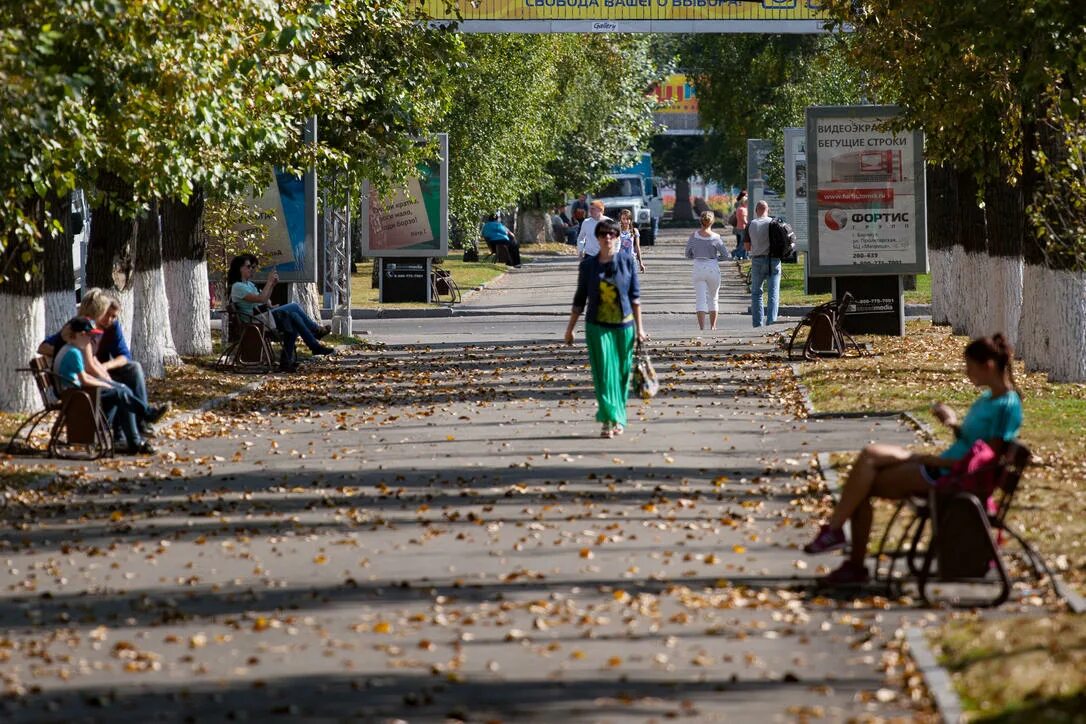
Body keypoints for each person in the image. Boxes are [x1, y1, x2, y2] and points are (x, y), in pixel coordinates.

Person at [803, 334, 1024, 585]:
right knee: (869, 458)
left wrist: (935, 462)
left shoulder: (1007, 405)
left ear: (989, 366)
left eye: (969, 366)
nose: (966, 372)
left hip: (951, 477)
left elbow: (986, 462)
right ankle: (839, 539)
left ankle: (845, 549)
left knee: (862, 485)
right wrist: (951, 423)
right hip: (942, 468)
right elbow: (973, 443)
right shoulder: (989, 399)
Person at [564, 219, 648, 439]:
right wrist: (570, 329)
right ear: (598, 238)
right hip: (597, 327)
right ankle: (607, 418)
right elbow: (580, 298)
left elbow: (635, 297)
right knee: (603, 374)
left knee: (620, 375)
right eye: (603, 234)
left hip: (624, 326)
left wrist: (640, 329)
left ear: (618, 238)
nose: (607, 238)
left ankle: (617, 418)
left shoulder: (627, 262)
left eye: (612, 234)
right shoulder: (588, 266)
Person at [38, 288, 159, 437]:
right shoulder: (81, 331)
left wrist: (105, 370)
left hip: (89, 376)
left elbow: (121, 356)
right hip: (79, 384)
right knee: (121, 391)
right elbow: (87, 364)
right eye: (106, 314)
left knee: (133, 370)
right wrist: (64, 349)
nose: (109, 320)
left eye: (113, 316)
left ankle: (141, 423)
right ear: (99, 311)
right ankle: (136, 427)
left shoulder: (107, 328)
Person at [54, 317, 169, 455]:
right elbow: (84, 380)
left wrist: (108, 384)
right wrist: (105, 384)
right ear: (81, 335)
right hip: (78, 396)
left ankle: (137, 436)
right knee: (121, 394)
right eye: (90, 336)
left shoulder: (69, 348)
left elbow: (84, 377)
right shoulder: (74, 353)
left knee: (122, 390)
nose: (92, 340)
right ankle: (145, 417)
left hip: (76, 393)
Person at [227, 254, 334, 373]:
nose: (251, 270)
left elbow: (266, 300)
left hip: (262, 317)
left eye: (253, 267)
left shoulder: (250, 284)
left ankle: (291, 359)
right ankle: (315, 333)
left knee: (293, 318)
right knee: (293, 307)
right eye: (248, 267)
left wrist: (272, 286)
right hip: (255, 322)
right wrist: (269, 282)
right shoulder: (238, 287)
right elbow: (261, 299)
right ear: (239, 268)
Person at [685, 211, 729, 331]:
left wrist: (695, 255)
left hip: (698, 267)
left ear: (701, 221)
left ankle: (701, 327)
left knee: (700, 298)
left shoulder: (693, 236)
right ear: (712, 222)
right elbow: (726, 255)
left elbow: (687, 254)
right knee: (713, 298)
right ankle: (713, 326)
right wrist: (716, 259)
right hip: (712, 267)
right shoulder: (716, 237)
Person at [745, 200, 780, 327]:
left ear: (756, 211)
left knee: (756, 292)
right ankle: (771, 321)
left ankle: (757, 323)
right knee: (773, 291)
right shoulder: (774, 223)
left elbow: (747, 247)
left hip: (757, 261)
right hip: (774, 261)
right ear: (768, 209)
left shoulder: (751, 224)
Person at [732, 191, 749, 260]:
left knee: (743, 243)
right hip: (743, 228)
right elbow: (744, 220)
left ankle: (744, 255)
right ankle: (735, 253)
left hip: (739, 227)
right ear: (745, 202)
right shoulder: (743, 210)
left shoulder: (739, 208)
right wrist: (749, 225)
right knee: (743, 243)